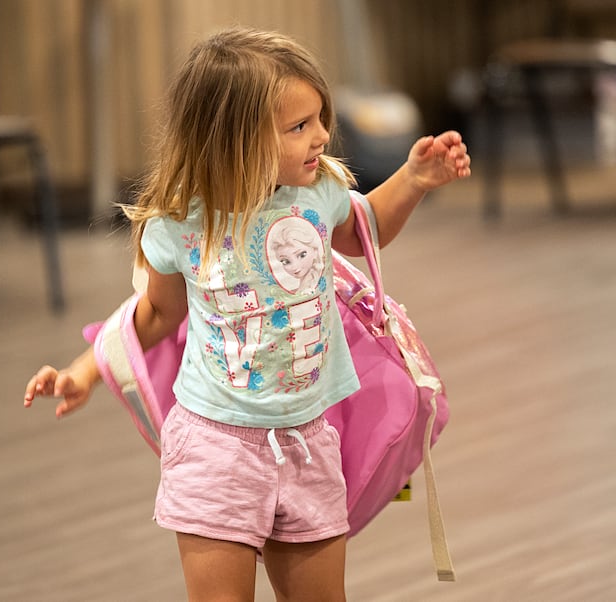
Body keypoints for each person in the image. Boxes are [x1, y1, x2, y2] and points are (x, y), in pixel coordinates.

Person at [24, 27, 471, 602]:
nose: (322, 135)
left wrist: (412, 179)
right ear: (235, 140)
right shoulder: (180, 221)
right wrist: (84, 370)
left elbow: (367, 230)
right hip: (215, 450)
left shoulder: (319, 192)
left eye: (320, 118)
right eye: (299, 126)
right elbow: (156, 314)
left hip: (309, 441)